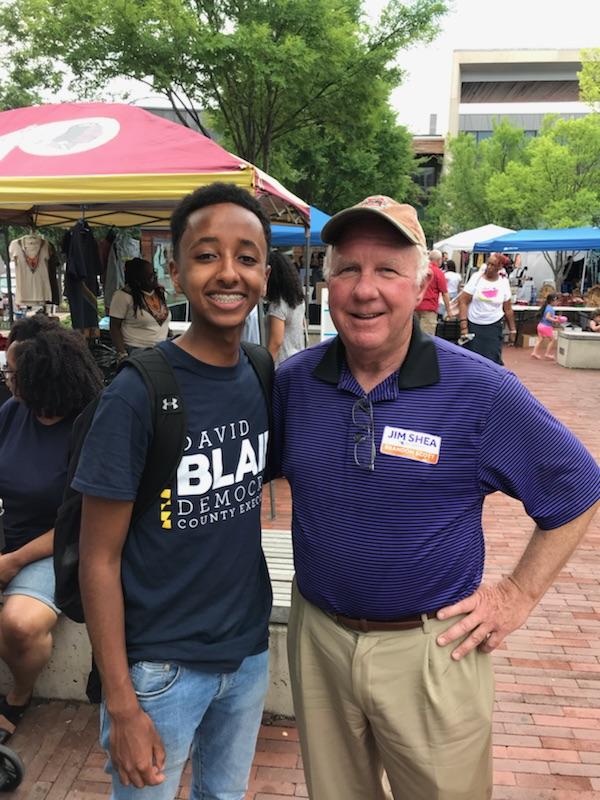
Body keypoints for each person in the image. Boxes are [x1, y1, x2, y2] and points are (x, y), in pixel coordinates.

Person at [270, 194, 600, 800]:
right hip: (318, 643)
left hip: (431, 654)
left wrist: (517, 594)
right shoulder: (293, 384)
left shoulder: (481, 390)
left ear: (422, 284)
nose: (365, 289)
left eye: (388, 270)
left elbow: (579, 486)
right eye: (348, 269)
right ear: (326, 283)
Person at [74, 183, 273, 800]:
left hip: (247, 656)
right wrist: (123, 704)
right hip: (159, 671)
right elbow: (97, 558)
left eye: (247, 256)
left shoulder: (263, 372)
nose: (228, 273)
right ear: (178, 274)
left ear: (266, 272)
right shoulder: (137, 393)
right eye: (207, 255)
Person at [0, 316, 102, 741]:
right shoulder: (11, 413)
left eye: (12, 373)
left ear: (40, 379)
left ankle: (18, 696)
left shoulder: (91, 427)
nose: (6, 379)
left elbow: (80, 523)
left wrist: (12, 562)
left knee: (20, 624)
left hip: (61, 548)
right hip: (10, 536)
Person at [458, 252, 517, 364]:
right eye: (488, 264)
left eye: (493, 265)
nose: (489, 267)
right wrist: (464, 327)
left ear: (499, 268)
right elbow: (463, 301)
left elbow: (508, 308)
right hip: (474, 324)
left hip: (493, 326)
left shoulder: (503, 282)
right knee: (472, 359)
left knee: (492, 358)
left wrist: (512, 329)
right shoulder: (477, 278)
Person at [109, 257, 171, 360]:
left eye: (154, 273)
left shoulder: (160, 293)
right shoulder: (123, 296)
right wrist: (122, 354)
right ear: (138, 280)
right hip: (137, 350)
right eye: (150, 276)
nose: (155, 277)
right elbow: (114, 326)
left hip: (162, 349)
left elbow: (160, 320)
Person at [266, 250, 306, 367]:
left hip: (281, 364)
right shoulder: (297, 300)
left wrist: (264, 368)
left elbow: (275, 343)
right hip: (297, 359)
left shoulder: (277, 305)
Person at [415, 249, 452, 335]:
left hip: (415, 306)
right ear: (439, 260)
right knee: (426, 337)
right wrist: (449, 310)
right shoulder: (438, 273)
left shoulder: (419, 270)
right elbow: (444, 293)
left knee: (414, 335)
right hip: (429, 308)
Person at [531, 293, 565, 360]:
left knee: (540, 339)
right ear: (552, 301)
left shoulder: (546, 307)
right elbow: (547, 317)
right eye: (556, 301)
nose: (557, 303)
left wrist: (556, 317)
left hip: (540, 325)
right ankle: (547, 354)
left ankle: (534, 352)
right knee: (552, 340)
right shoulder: (550, 309)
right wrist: (556, 320)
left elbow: (547, 315)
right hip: (546, 326)